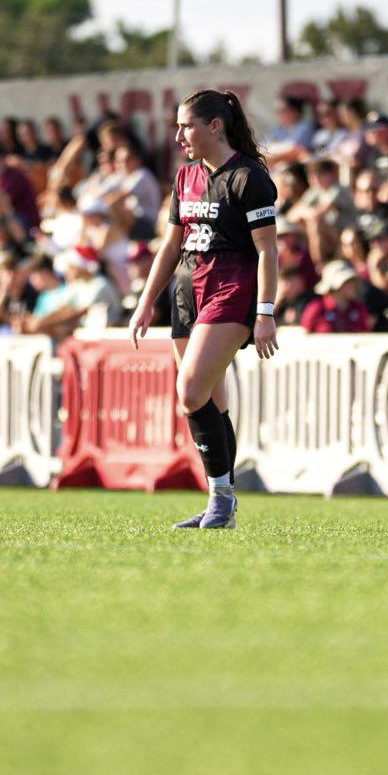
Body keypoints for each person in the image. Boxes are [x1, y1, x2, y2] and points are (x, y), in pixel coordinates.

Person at [129, 88, 278, 530]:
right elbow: (171, 245)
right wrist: (144, 302)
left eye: (186, 125)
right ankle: (221, 502)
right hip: (185, 293)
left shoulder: (249, 177)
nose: (179, 135)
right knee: (209, 401)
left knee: (190, 390)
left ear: (215, 126)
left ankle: (222, 501)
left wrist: (265, 312)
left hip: (230, 290)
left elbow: (268, 251)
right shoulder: (185, 177)